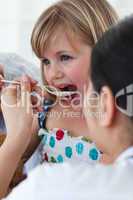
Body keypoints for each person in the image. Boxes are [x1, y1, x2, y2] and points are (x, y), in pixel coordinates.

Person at [2, 15, 133, 200]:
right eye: (45, 62)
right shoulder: (45, 112)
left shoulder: (49, 184)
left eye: (65, 57)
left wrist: (15, 138)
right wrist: (19, 138)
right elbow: (17, 166)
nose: (52, 74)